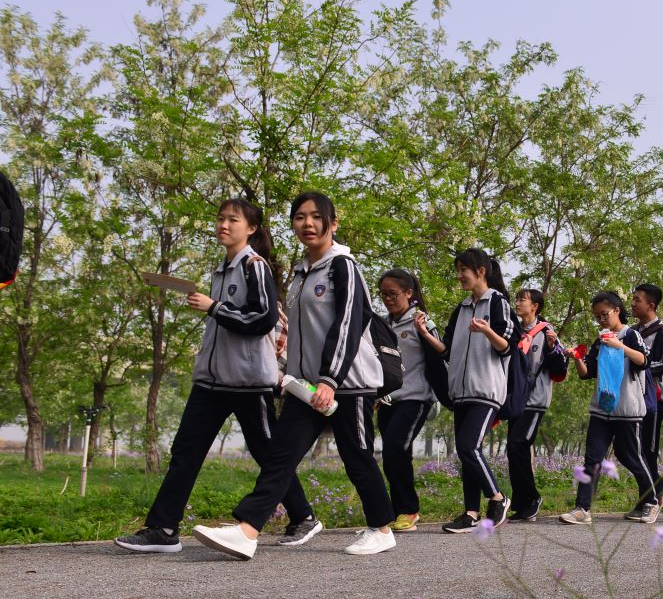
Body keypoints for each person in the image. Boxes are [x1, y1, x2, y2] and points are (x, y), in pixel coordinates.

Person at [192, 191, 396, 560]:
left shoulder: (343, 267)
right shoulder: (302, 273)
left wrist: (330, 379)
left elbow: (348, 325)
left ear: (333, 223)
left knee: (357, 458)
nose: (308, 224)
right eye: (300, 217)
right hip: (307, 387)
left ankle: (382, 529)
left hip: (349, 384)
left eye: (316, 217)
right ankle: (247, 531)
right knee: (280, 458)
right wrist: (288, 373)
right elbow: (299, 332)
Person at [117, 198, 321, 554]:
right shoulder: (221, 270)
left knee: (268, 453)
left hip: (249, 382)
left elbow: (262, 319)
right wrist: (215, 309)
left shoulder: (254, 267)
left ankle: (303, 516)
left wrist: (214, 307)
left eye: (233, 220)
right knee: (186, 451)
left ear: (251, 229)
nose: (223, 225)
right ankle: (163, 529)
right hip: (211, 381)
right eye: (220, 219)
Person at [559, 291, 660, 524]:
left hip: (627, 410)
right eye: (597, 316)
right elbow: (588, 373)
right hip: (601, 410)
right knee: (592, 459)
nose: (602, 320)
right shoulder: (600, 340)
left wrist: (619, 345)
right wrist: (576, 358)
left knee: (634, 457)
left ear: (617, 310)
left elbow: (644, 361)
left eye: (604, 314)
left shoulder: (631, 335)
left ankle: (652, 501)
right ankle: (582, 509)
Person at [438, 248, 517, 534]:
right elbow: (447, 350)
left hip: (486, 389)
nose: (459, 276)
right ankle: (471, 513)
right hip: (461, 391)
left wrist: (486, 330)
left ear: (481, 271)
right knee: (467, 452)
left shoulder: (497, 302)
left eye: (463, 270)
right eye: (457, 271)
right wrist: (425, 334)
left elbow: (507, 346)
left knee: (468, 446)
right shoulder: (460, 309)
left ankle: (498, 497)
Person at [376, 269, 440, 532]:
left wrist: (443, 392)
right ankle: (396, 509)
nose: (388, 299)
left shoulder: (421, 322)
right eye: (383, 294)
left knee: (396, 448)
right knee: (390, 454)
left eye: (393, 294)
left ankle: (408, 510)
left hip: (416, 397)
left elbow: (440, 355)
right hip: (387, 399)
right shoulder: (381, 323)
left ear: (408, 293)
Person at [504, 288, 568, 522]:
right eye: (517, 299)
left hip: (535, 399)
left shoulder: (547, 332)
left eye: (523, 300)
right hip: (515, 398)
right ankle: (521, 503)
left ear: (535, 306)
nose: (518, 303)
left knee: (518, 443)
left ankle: (532, 498)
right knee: (513, 449)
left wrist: (551, 348)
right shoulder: (514, 330)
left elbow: (560, 369)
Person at [630, 283, 663, 501]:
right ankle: (656, 485)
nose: (632, 304)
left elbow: (659, 364)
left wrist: (632, 364)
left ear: (651, 305)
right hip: (632, 398)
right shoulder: (631, 332)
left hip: (653, 399)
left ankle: (648, 498)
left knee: (648, 448)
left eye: (637, 300)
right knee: (632, 449)